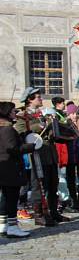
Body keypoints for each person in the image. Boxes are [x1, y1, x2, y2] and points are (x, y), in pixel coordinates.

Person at [14, 87, 69, 226]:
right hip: (36, 155)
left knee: (53, 183)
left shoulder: (44, 114)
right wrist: (37, 127)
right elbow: (21, 134)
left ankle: (53, 212)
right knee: (39, 185)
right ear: (30, 99)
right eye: (38, 97)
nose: (41, 99)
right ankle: (40, 215)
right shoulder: (23, 116)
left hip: (50, 154)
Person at [0, 102, 35, 238]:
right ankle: (13, 227)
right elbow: (12, 149)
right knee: (12, 198)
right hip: (10, 168)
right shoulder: (7, 129)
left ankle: (4, 224)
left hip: (5, 169)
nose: (16, 113)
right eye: (14, 111)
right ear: (7, 113)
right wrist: (30, 146)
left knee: (5, 197)